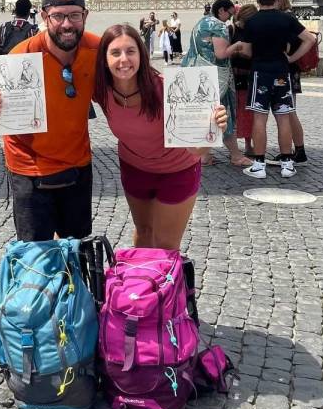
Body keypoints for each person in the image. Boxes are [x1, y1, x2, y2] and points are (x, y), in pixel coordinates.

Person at [0, 0, 99, 241]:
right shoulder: (20, 56)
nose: (66, 24)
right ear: (43, 17)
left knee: (76, 249)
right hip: (29, 170)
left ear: (85, 16)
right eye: (58, 16)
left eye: (74, 15)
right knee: (35, 256)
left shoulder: (98, 49)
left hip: (77, 165)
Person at [93, 24, 227, 249]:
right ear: (104, 58)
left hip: (177, 171)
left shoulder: (167, 89)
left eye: (131, 51)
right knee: (144, 234)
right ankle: (142, 283)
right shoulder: (100, 90)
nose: (123, 60)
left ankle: (170, 285)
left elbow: (198, 151)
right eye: (115, 52)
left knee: (165, 244)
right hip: (134, 168)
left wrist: (211, 129)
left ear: (142, 55)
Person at [236, 0, 317, 179]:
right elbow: (309, 40)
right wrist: (291, 58)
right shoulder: (286, 19)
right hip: (281, 71)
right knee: (283, 117)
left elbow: (246, 51)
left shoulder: (252, 22)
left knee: (259, 119)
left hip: (260, 72)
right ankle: (288, 164)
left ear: (258, 0)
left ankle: (259, 164)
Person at [182, 0, 250, 167]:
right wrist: (237, 46)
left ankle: (204, 156)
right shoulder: (218, 26)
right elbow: (221, 54)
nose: (229, 19)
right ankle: (236, 156)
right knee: (224, 114)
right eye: (229, 14)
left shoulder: (202, 22)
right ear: (221, 11)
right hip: (215, 77)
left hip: (194, 72)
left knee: (203, 114)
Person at [0, 0, 38, 157]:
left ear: (14, 10)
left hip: (4, 69)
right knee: (25, 107)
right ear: (29, 12)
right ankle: (26, 147)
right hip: (22, 72)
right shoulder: (33, 29)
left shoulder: (3, 26)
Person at [275, 0, 308, 164]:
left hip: (287, 70)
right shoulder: (289, 17)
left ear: (279, 0)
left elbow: (287, 45)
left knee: (288, 111)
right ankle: (294, 149)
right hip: (290, 70)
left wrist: (290, 58)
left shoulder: (285, 19)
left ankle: (299, 150)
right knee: (288, 111)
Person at [230, 4, 258, 157]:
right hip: (234, 75)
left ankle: (249, 144)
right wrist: (236, 50)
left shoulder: (252, 31)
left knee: (249, 111)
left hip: (249, 75)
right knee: (233, 112)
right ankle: (233, 147)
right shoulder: (231, 30)